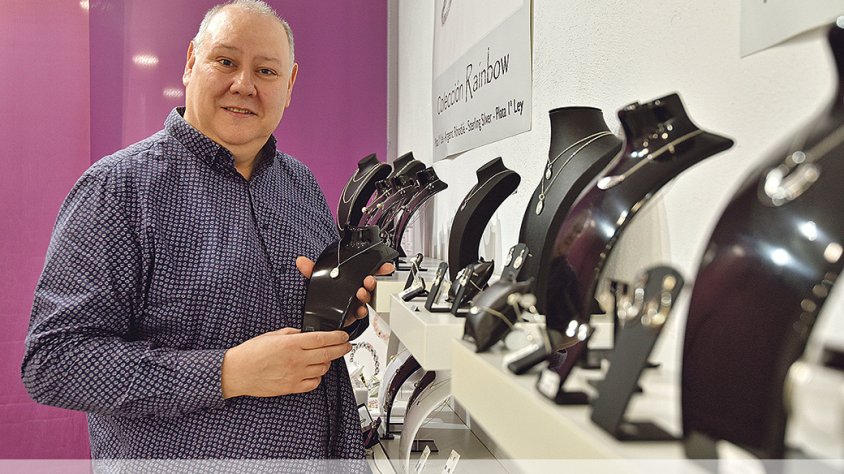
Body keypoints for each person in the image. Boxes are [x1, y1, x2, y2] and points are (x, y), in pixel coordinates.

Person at [21, 0, 390, 463]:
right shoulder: (117, 189)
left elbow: (302, 328)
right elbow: (54, 362)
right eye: (226, 61)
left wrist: (344, 311)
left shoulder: (300, 183)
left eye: (266, 71)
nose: (244, 85)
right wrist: (228, 372)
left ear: (290, 84)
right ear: (191, 62)